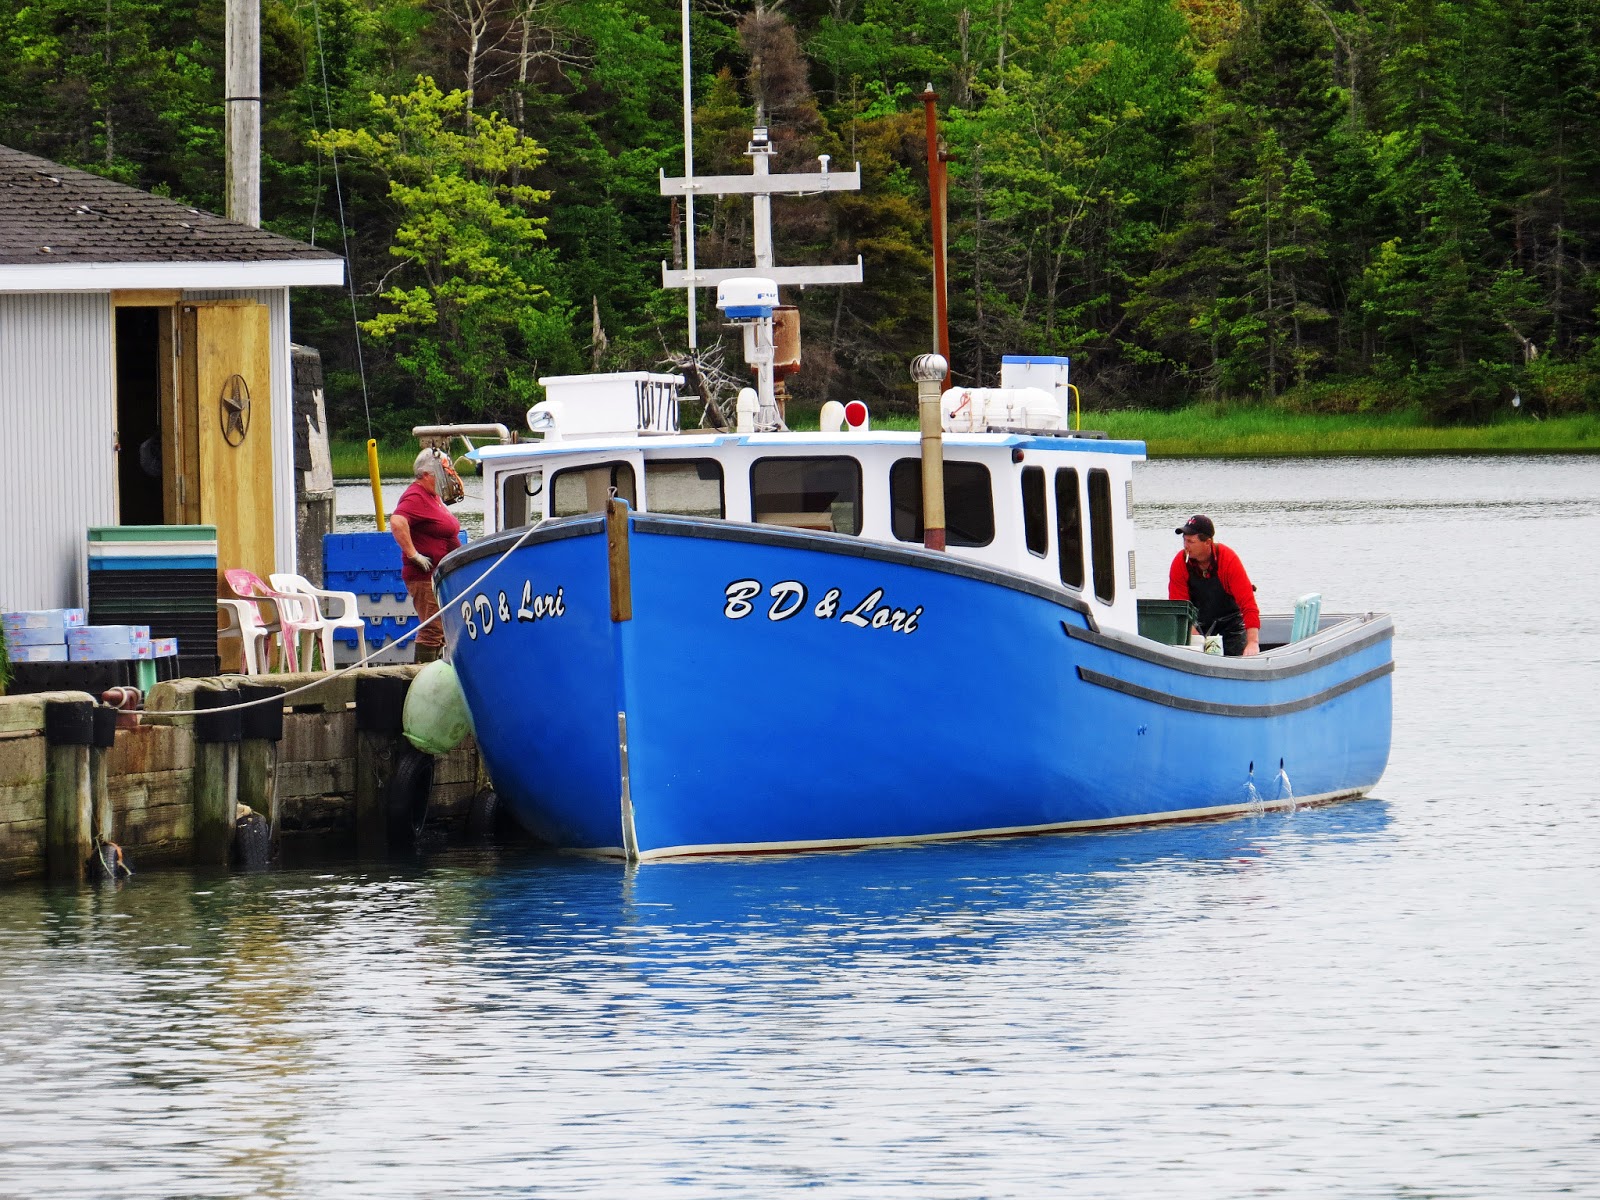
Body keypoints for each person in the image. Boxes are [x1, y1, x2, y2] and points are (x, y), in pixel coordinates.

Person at [391, 449, 463, 664]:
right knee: (433, 628)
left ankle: (438, 670)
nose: (445, 477)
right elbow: (397, 521)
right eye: (440, 472)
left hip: (440, 574)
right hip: (424, 575)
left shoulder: (434, 497)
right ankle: (422, 675)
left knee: (443, 628)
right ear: (426, 474)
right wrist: (414, 555)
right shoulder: (415, 495)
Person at [1168, 514, 1260, 656]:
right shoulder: (1180, 563)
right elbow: (1180, 609)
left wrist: (1253, 643)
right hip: (1197, 626)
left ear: (1207, 542)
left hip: (1231, 627)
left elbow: (1248, 604)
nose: (1186, 546)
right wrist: (1199, 641)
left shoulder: (1228, 559)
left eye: (1191, 542)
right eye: (1184, 540)